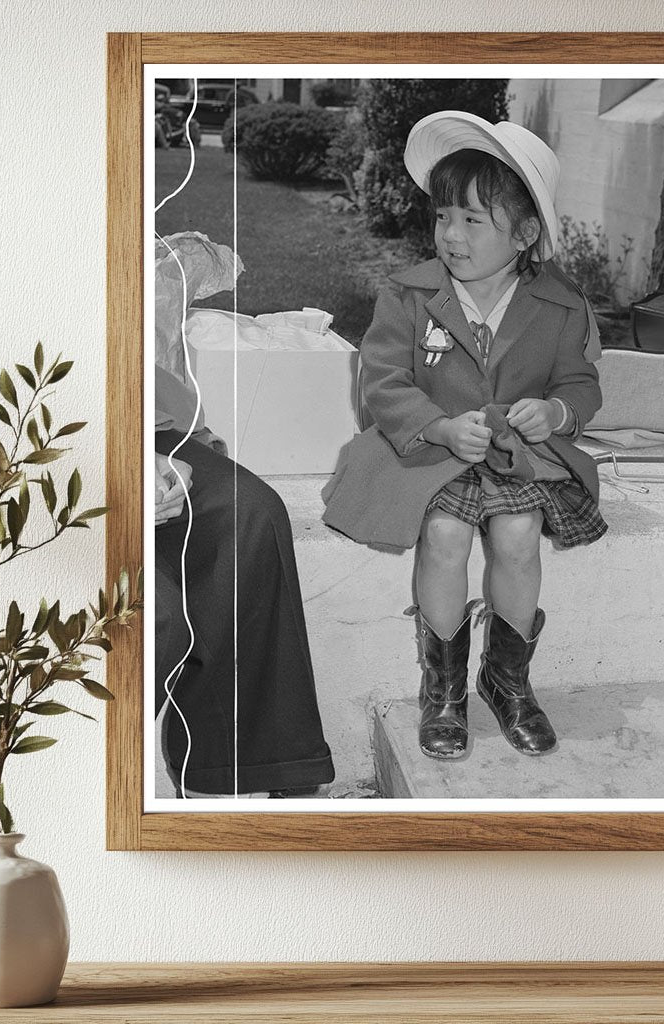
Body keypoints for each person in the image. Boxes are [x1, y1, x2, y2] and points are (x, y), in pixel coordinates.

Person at [322, 111, 607, 762]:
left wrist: (556, 413)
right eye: (442, 216)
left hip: (515, 455)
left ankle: (508, 682)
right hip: (426, 449)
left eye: (473, 220)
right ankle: (444, 692)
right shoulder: (410, 295)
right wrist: (440, 426)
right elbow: (382, 380)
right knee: (446, 536)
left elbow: (580, 384)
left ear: (525, 233)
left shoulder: (562, 307)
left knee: (518, 535)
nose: (451, 234)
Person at [155, 364, 335, 796]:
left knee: (249, 513)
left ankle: (232, 767)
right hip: (50, 433)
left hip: (129, 415)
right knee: (160, 617)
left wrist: (142, 450)